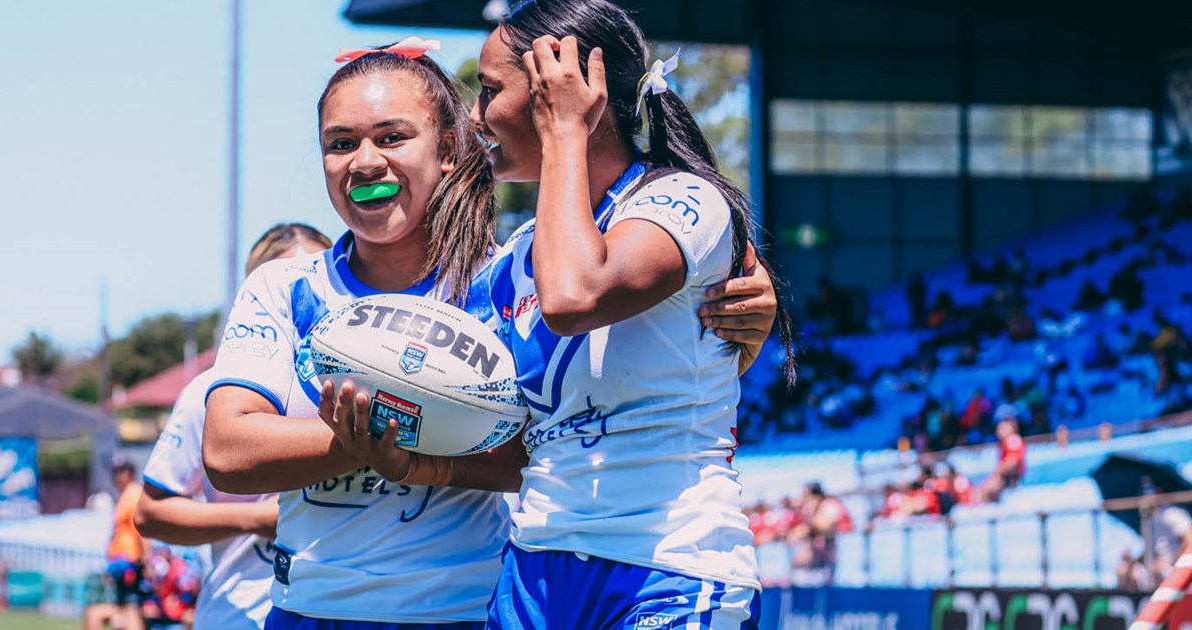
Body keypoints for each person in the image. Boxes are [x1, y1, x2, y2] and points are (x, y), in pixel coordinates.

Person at [202, 37, 788, 630]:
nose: (365, 161)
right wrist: (389, 430)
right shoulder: (286, 288)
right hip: (310, 611)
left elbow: (549, 435)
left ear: (451, 151)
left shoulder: (505, 280)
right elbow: (227, 452)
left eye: (392, 137)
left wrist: (743, 327)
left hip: (469, 611)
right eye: (340, 144)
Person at [469, 1, 797, 626]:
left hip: (670, 567)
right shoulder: (510, 263)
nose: (477, 115)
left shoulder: (683, 200)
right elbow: (498, 431)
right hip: (534, 569)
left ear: (559, 90)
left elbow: (575, 298)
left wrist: (566, 131)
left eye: (489, 92)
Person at [135, 223, 331, 630]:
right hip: (237, 616)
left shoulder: (363, 387)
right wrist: (257, 520)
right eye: (285, 283)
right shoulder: (210, 392)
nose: (303, 298)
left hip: (338, 613)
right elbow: (150, 513)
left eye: (316, 278)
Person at [94, 459, 148, 630]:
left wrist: (147, 561)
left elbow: (141, 530)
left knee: (130, 609)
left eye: (119, 472)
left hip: (130, 561)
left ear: (129, 474)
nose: (115, 477)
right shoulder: (125, 496)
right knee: (123, 609)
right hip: (121, 562)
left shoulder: (134, 494)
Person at [981, 420, 1026, 502]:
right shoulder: (1004, 443)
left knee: (986, 490)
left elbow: (1012, 463)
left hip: (1011, 478)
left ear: (1012, 429)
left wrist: (997, 474)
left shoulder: (1012, 440)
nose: (999, 431)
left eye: (1003, 428)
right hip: (1005, 477)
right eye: (998, 428)